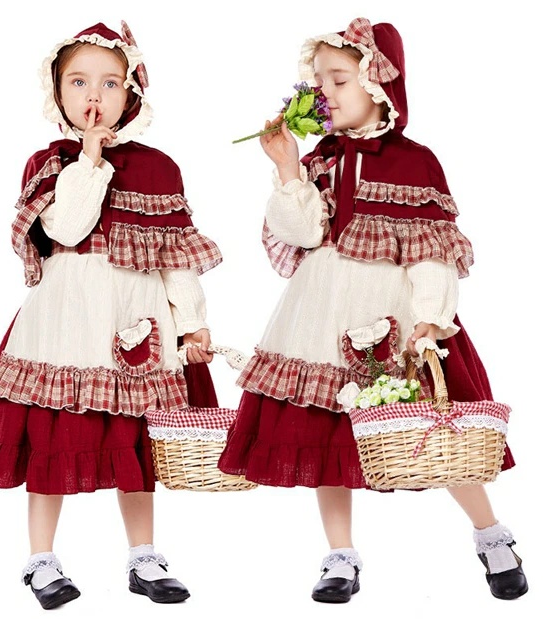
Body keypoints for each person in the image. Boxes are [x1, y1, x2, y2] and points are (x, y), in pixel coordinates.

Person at [218, 17, 528, 603]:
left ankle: (491, 534)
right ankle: (340, 554)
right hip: (319, 315)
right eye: (318, 82)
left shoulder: (415, 163)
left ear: (377, 84)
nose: (324, 93)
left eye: (338, 80)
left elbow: (432, 252)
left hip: (393, 317)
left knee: (435, 429)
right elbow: (304, 232)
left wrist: (432, 317)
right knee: (325, 435)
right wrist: (286, 168)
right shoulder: (323, 159)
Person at [0, 21, 221, 610]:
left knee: (136, 443)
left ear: (133, 93)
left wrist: (192, 322)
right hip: (65, 322)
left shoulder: (158, 169)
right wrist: (91, 159)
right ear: (57, 91)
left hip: (137, 319)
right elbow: (70, 227)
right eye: (78, 82)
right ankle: (41, 559)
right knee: (52, 435)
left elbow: (175, 259)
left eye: (109, 82)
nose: (94, 96)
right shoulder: (50, 163)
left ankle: (143, 556)